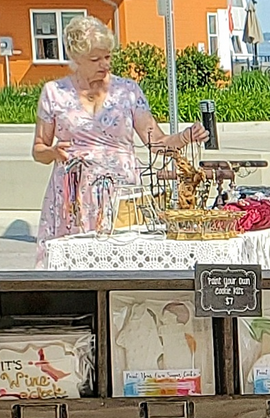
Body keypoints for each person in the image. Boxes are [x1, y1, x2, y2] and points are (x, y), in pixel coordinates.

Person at [32, 15, 204, 263]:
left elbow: (155, 141)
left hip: (121, 193)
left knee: (123, 260)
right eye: (96, 59)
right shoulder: (54, 92)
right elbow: (38, 150)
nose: (105, 64)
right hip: (72, 196)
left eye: (108, 57)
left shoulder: (128, 90)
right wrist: (53, 152)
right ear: (76, 59)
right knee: (73, 266)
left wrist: (186, 137)